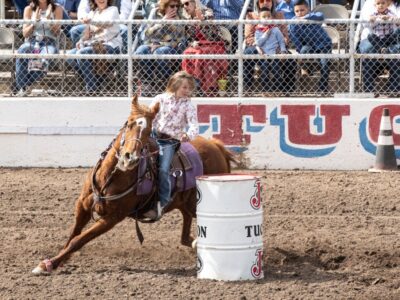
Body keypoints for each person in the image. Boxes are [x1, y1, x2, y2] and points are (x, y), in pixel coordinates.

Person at [143, 71, 199, 220]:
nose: (188, 91)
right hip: (153, 137)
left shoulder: (188, 105)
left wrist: (189, 135)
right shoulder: (160, 99)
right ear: (175, 86)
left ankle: (162, 202)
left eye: (189, 88)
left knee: (163, 169)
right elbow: (149, 116)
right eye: (185, 87)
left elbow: (194, 125)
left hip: (169, 141)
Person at [66, 0, 122, 93]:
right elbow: (87, 34)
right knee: (70, 56)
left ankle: (92, 89)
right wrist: (81, 41)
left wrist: (91, 21)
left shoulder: (113, 9)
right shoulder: (93, 13)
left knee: (82, 53)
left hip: (110, 45)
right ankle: (95, 82)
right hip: (93, 45)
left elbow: (106, 23)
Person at [134, 0, 187, 95]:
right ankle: (148, 84)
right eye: (172, 6)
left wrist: (161, 44)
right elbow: (146, 34)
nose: (175, 8)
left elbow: (177, 40)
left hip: (171, 48)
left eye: (177, 6)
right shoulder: (154, 12)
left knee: (160, 52)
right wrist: (162, 22)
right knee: (141, 50)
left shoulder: (178, 17)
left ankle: (164, 83)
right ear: (165, 6)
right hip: (152, 44)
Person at [244, 0, 296, 95]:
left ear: (272, 3)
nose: (265, 3)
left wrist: (278, 48)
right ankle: (248, 87)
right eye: (261, 1)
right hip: (258, 47)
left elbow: (284, 36)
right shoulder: (251, 16)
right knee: (247, 53)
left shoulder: (279, 15)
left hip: (276, 47)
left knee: (290, 60)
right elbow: (249, 37)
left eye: (268, 0)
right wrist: (260, 47)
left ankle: (287, 89)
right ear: (258, 4)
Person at [14, 0, 63, 96]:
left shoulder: (57, 8)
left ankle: (20, 86)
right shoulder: (28, 9)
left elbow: (57, 33)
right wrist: (34, 22)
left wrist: (49, 20)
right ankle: (21, 89)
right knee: (23, 50)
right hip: (32, 41)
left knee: (43, 62)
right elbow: (25, 33)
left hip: (49, 43)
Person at [289, 0, 332, 93]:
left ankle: (322, 89)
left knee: (324, 64)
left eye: (302, 10)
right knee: (303, 50)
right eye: (297, 11)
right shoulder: (293, 22)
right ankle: (306, 70)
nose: (299, 13)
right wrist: (301, 51)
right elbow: (296, 40)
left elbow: (321, 15)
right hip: (309, 45)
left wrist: (306, 18)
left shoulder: (314, 16)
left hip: (323, 45)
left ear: (307, 9)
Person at [359, 0, 400, 94]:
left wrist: (391, 18)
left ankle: (394, 89)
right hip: (373, 37)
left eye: (383, 3)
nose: (381, 5)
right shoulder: (370, 2)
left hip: (391, 38)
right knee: (368, 52)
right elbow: (365, 22)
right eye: (378, 4)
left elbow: (398, 23)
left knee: (396, 53)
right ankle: (369, 90)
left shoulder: (395, 5)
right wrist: (376, 19)